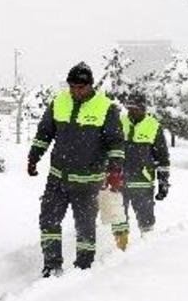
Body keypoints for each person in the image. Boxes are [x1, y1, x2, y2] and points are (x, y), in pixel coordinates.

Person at [28, 62, 124, 275]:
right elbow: (44, 133)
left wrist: (115, 169)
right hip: (58, 179)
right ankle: (52, 265)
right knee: (48, 221)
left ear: (90, 85)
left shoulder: (105, 107)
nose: (76, 91)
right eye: (72, 87)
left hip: (88, 182)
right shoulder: (59, 102)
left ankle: (83, 267)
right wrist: (34, 157)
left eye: (80, 87)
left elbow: (116, 142)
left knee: (85, 226)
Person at [115, 89, 170, 246]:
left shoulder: (153, 126)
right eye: (130, 108)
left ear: (143, 108)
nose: (132, 111)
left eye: (136, 108)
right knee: (118, 220)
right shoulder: (119, 123)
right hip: (119, 181)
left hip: (143, 183)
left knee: (146, 222)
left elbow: (162, 158)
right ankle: (120, 248)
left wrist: (163, 183)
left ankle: (147, 250)